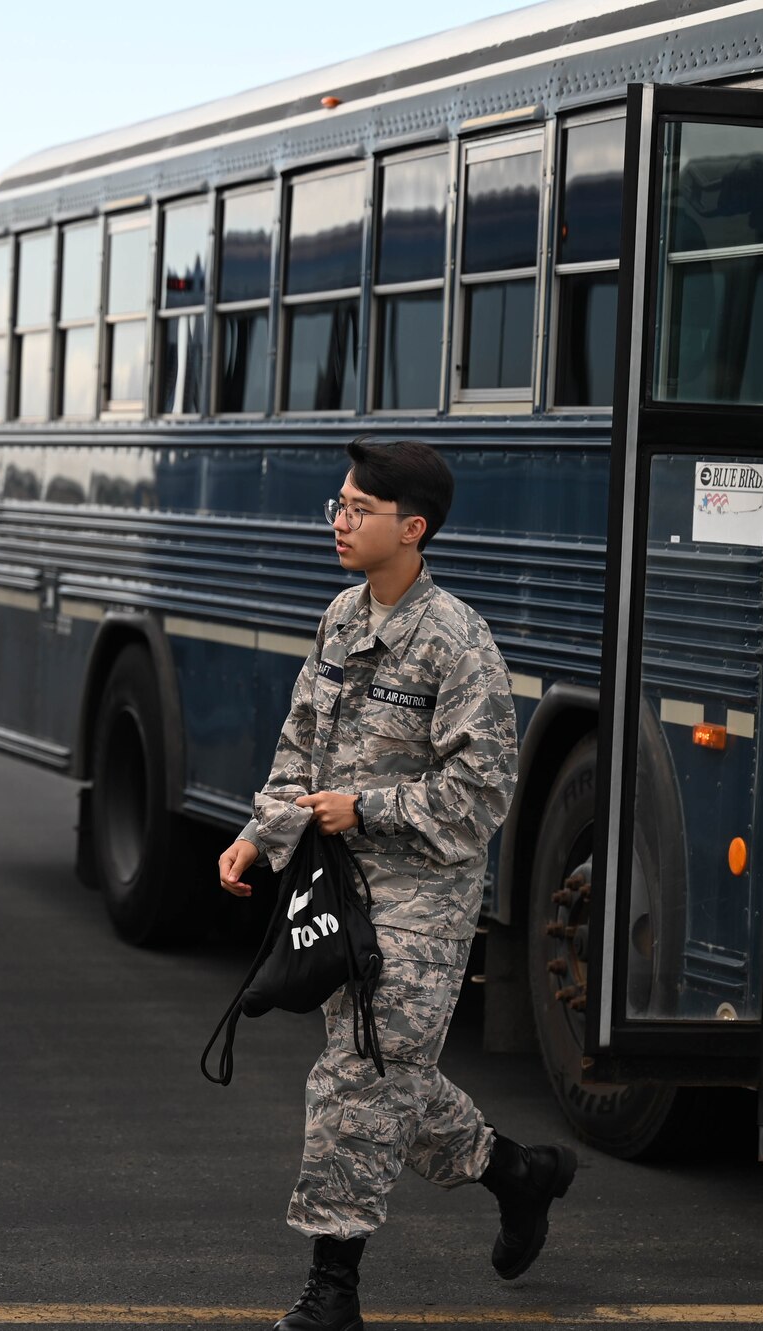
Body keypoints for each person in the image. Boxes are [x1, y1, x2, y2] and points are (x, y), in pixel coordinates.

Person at [217, 437, 576, 1331]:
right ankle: (519, 1175)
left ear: (412, 530)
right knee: (392, 1080)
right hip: (338, 893)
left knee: (358, 1080)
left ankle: (331, 1290)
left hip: (423, 901)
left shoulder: (459, 642)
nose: (338, 521)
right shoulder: (341, 616)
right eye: (336, 504)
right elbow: (302, 741)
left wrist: (363, 809)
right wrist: (260, 836)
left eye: (358, 510)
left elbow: (482, 793)